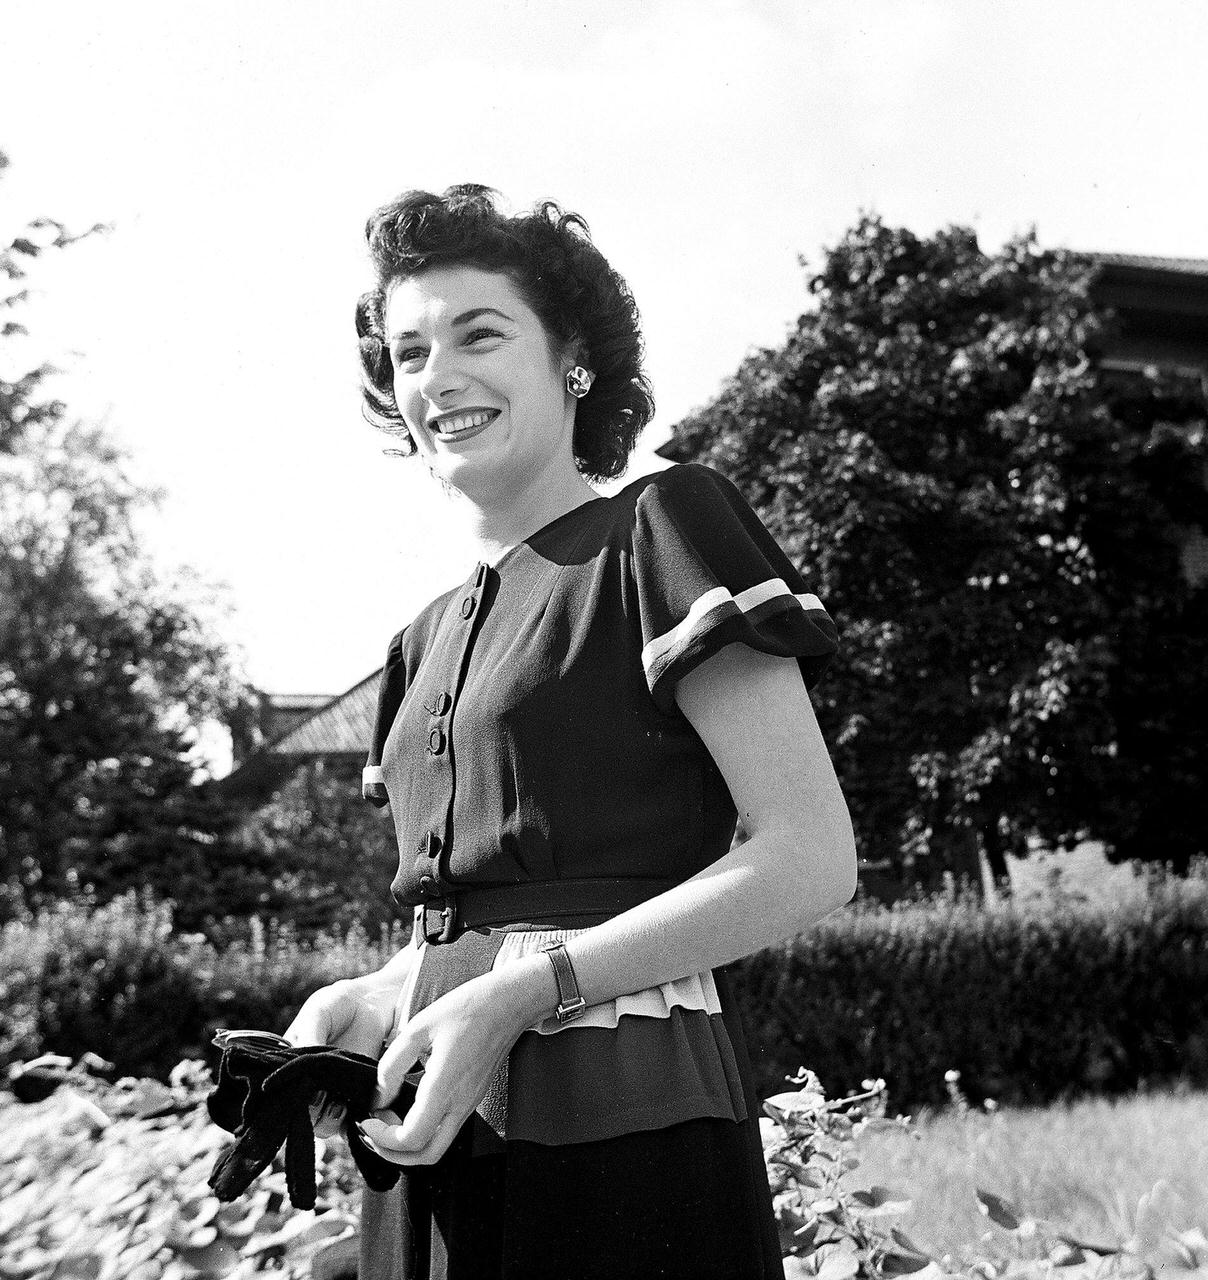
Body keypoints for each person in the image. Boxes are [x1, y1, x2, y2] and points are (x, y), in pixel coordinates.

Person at [285, 184, 857, 1280]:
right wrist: (352, 1004)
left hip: (619, 1124)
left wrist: (525, 989)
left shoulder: (663, 529)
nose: (436, 374)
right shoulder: (417, 641)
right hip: (435, 1127)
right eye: (407, 353)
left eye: (478, 333)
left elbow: (810, 854)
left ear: (573, 361)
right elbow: (453, 923)